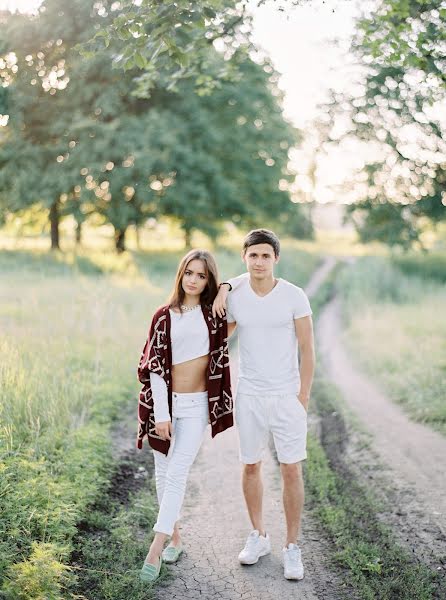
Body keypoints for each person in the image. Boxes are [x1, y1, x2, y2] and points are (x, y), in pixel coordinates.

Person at [212, 229, 315, 581]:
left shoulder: (293, 296)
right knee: (251, 466)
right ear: (245, 258)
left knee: (291, 469)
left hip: (286, 397)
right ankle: (258, 537)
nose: (259, 262)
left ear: (276, 259)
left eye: (265, 256)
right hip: (250, 395)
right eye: (252, 255)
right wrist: (225, 287)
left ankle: (291, 547)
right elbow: (218, 337)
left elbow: (308, 351)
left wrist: (302, 396)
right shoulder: (236, 295)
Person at [136, 249, 233, 583]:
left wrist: (227, 288)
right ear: (181, 274)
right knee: (162, 474)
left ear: (209, 280)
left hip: (196, 407)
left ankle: (155, 547)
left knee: (177, 472)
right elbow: (156, 370)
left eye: (202, 275)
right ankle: (175, 538)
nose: (194, 280)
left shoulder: (215, 314)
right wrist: (161, 415)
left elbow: (252, 282)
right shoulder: (163, 316)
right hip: (164, 405)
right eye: (189, 273)